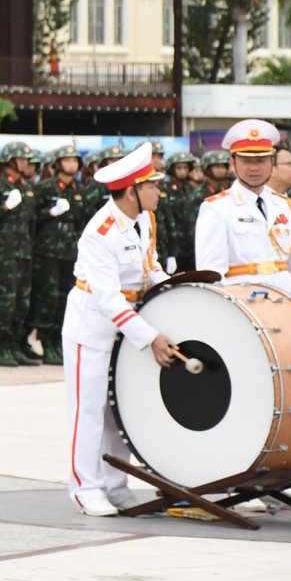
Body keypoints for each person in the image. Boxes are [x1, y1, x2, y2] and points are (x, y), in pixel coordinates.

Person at [62, 143, 176, 517]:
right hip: (92, 327)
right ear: (132, 191)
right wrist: (151, 337)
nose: (159, 191)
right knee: (89, 409)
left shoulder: (145, 219)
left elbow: (150, 269)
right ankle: (85, 488)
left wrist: (176, 287)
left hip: (128, 324)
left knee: (117, 410)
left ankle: (115, 484)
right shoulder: (100, 232)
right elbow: (109, 300)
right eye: (152, 185)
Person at [196, 120, 291, 295]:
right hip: (244, 305)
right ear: (233, 162)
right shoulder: (216, 208)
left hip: (286, 302)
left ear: (272, 163)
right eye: (246, 160)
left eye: (261, 160)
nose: (254, 168)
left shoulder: (287, 206)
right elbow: (212, 275)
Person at [0, 142, 39, 366]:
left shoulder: (27, 187)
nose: (25, 163)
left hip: (23, 252)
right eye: (21, 159)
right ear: (10, 161)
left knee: (21, 303)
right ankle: (5, 346)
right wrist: (5, 208)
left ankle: (17, 344)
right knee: (5, 303)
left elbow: (31, 223)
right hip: (4, 253)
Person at [30, 146, 84, 366]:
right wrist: (50, 213)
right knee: (48, 298)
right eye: (66, 160)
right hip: (48, 252)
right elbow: (32, 220)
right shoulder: (45, 188)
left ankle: (59, 342)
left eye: (74, 161)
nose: (71, 165)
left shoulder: (79, 190)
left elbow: (81, 221)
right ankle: (47, 342)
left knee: (65, 298)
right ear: (57, 164)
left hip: (69, 252)